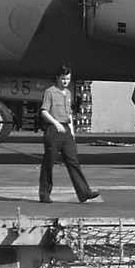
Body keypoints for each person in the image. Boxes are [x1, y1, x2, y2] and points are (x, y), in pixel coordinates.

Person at [39, 66, 100, 204]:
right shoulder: (50, 92)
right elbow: (44, 111)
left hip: (66, 130)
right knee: (49, 162)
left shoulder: (68, 93)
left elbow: (69, 114)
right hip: (54, 129)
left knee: (73, 161)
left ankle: (84, 192)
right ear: (58, 78)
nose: (65, 81)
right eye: (63, 79)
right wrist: (55, 123)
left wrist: (72, 132)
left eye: (68, 79)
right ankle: (44, 193)